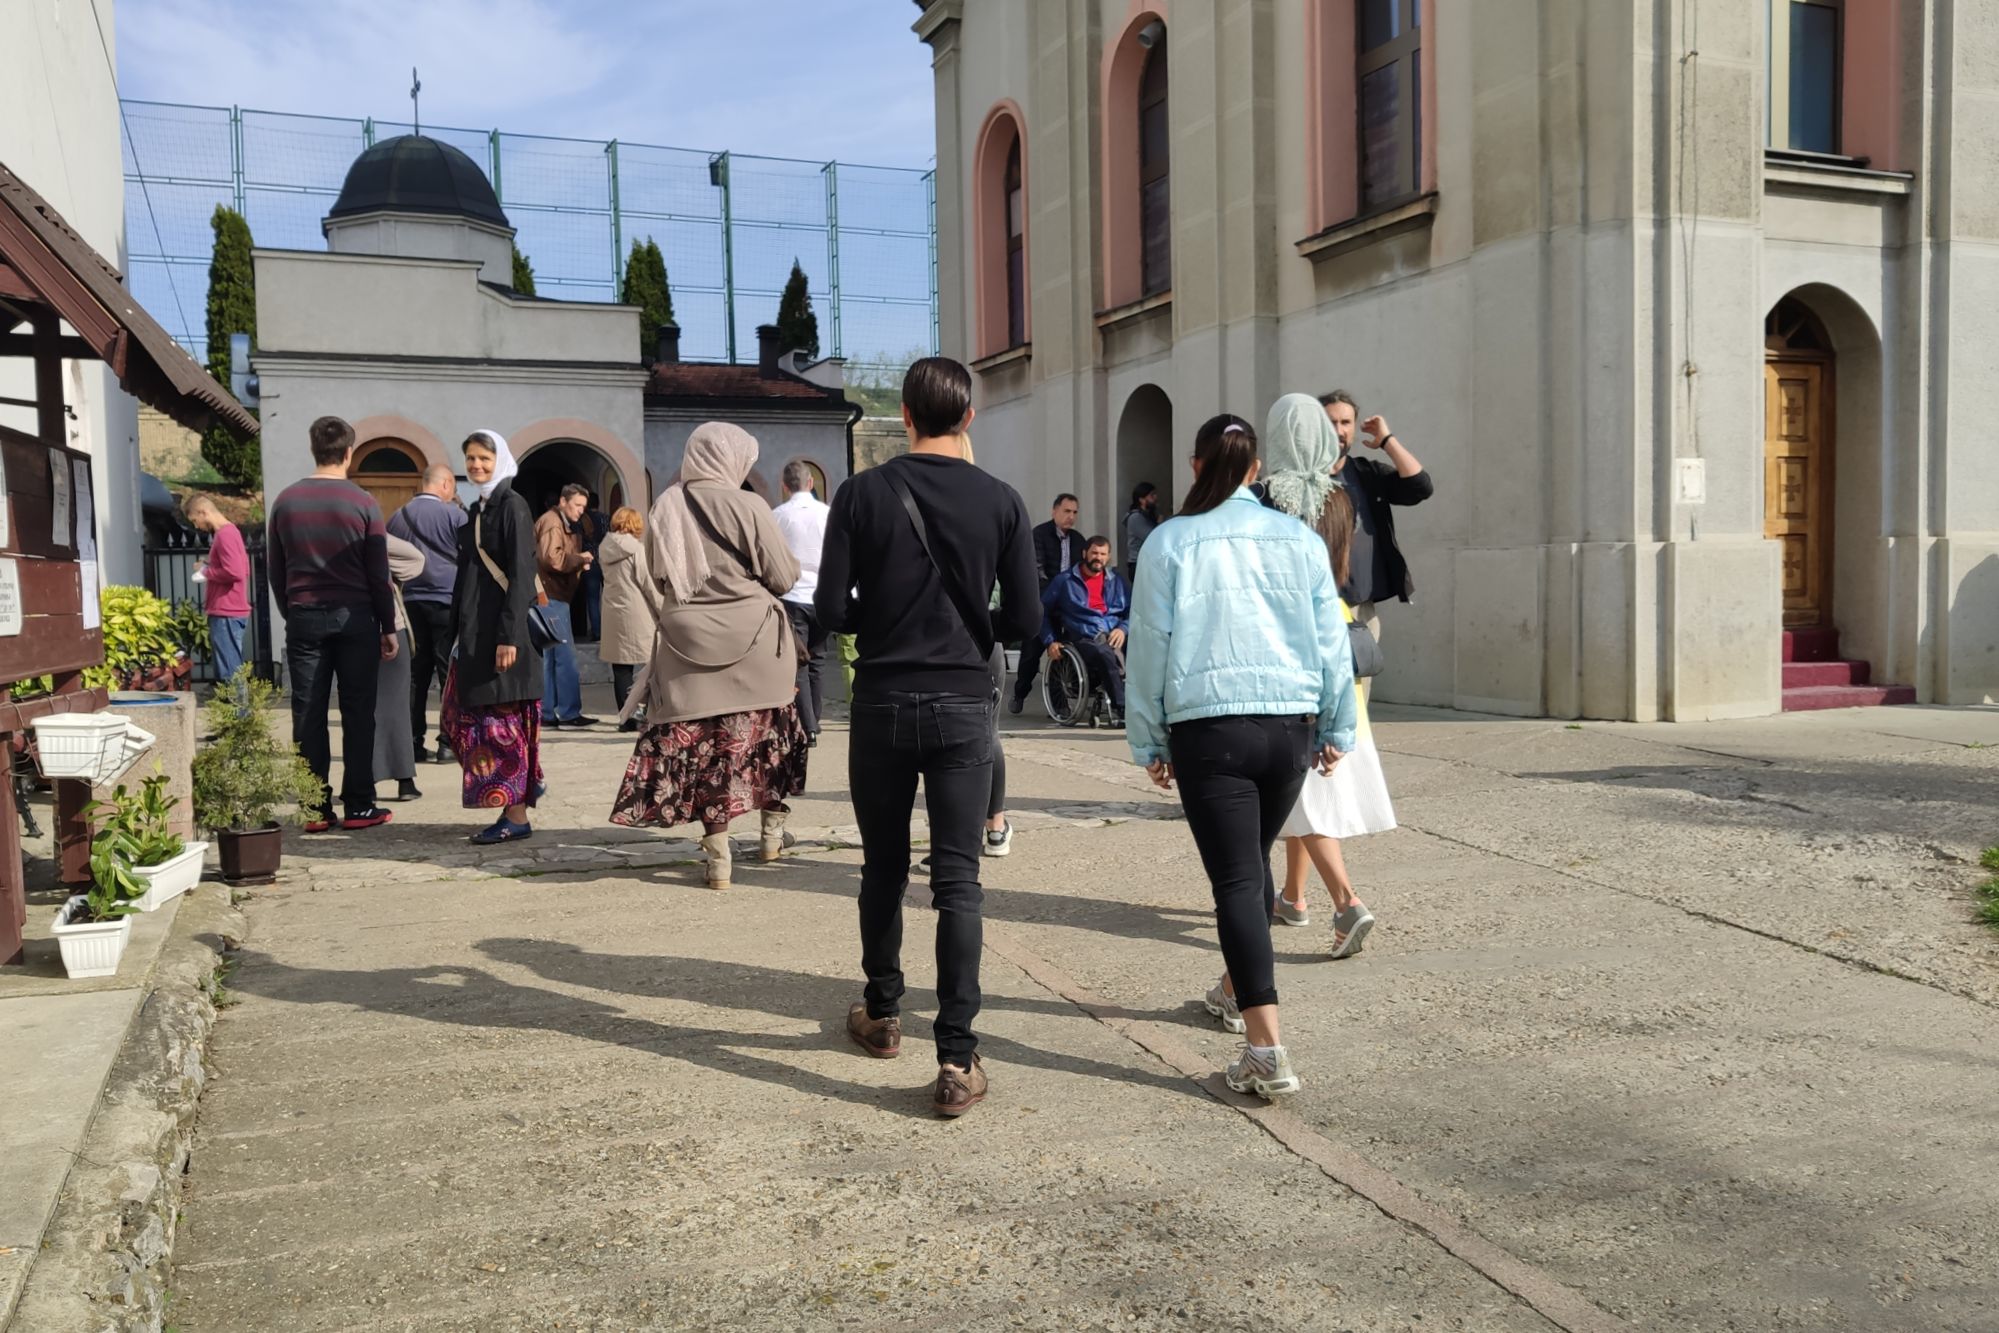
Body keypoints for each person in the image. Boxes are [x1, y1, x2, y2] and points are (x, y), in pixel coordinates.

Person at [816, 356, 1040, 1118]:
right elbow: (1030, 623)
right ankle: (956, 1055)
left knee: (882, 865)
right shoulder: (1002, 501)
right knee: (959, 881)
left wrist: (879, 610)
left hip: (881, 698)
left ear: (905, 415)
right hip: (961, 703)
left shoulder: (860, 493)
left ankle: (882, 1015)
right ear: (967, 417)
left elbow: (829, 607)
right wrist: (979, 622)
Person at [1126, 412, 1354, 1100]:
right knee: (1247, 868)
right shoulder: (1297, 538)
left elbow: (1149, 648)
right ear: (1256, 470)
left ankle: (1265, 1046)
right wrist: (1336, 722)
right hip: (1287, 725)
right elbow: (1328, 637)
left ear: (1196, 466)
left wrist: (1148, 737)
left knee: (1233, 880)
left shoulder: (1169, 542)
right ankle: (1233, 990)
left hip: (1209, 727)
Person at [610, 423, 808, 890]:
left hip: (687, 645)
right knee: (769, 739)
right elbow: (782, 577)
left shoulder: (665, 506)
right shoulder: (749, 504)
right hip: (755, 641)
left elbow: (659, 577)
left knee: (708, 751)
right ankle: (771, 837)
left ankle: (718, 855)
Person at [1263, 394, 1396, 957]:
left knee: (1301, 788)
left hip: (1287, 645)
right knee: (1310, 783)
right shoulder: (1339, 498)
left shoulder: (1271, 499)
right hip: (1335, 635)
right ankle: (1294, 896)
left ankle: (1346, 902)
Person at [265, 415, 399, 833]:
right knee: (358, 712)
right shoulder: (363, 503)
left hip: (304, 617)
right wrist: (388, 625)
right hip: (357, 617)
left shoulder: (285, 501)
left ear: (313, 449)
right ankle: (359, 805)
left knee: (307, 714)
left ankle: (314, 808)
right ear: (349, 453)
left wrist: (293, 613)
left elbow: (275, 569)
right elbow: (379, 574)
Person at [441, 430, 545, 844]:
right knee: (463, 722)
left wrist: (509, 638)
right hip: (475, 639)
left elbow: (521, 576)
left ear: (499, 459)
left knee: (500, 729)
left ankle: (515, 814)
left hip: (501, 640)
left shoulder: (511, 506)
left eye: (484, 458)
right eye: (470, 459)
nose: (476, 465)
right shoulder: (480, 508)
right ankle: (519, 795)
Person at [1319, 389, 1435, 643]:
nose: (1338, 430)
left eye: (1345, 422)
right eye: (1330, 422)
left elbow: (1421, 487)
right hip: (1315, 608)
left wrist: (1386, 440)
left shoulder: (1367, 474)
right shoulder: (1298, 480)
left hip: (1360, 608)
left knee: (1361, 683)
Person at [387, 464, 466, 763]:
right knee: (450, 675)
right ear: (445, 484)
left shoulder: (398, 516)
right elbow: (471, 556)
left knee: (415, 676)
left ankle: (412, 743)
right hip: (447, 602)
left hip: (410, 602)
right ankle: (448, 743)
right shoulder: (455, 515)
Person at [1039, 534, 1130, 724]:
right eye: (1094, 553)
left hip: (1115, 633)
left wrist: (1123, 628)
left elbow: (1133, 612)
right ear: (1084, 553)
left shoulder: (1116, 581)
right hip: (1084, 637)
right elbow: (1042, 612)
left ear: (1109, 557)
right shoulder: (1065, 581)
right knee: (1104, 652)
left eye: (1103, 554)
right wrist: (1050, 641)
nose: (1098, 557)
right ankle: (1122, 708)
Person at [771, 459, 831, 745]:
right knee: (818, 659)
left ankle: (807, 727)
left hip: (792, 594)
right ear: (811, 483)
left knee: (799, 663)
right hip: (822, 594)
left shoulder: (778, 515)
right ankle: (814, 720)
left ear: (784, 486)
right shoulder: (828, 514)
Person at [1009, 493, 1085, 712]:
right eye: (1066, 511)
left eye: (1074, 512)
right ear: (1055, 512)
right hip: (1043, 604)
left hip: (1066, 606)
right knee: (1031, 655)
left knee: (1060, 651)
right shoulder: (1039, 535)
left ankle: (1060, 705)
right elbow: (1037, 570)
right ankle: (1020, 693)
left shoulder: (1078, 539)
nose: (1070, 516)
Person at [534, 484, 597, 728]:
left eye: (583, 506)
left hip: (551, 595)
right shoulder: (552, 522)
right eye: (577, 505)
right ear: (563, 501)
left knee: (550, 657)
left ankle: (547, 713)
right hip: (552, 596)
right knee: (564, 656)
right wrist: (580, 559)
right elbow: (552, 558)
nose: (581, 510)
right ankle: (569, 713)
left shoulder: (556, 520)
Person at [596, 506, 661, 733]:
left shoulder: (604, 547)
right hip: (636, 611)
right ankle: (645, 713)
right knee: (650, 664)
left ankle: (625, 718)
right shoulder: (636, 550)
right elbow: (647, 583)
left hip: (613, 612)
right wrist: (663, 608)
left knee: (621, 669)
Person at [374, 532, 428, 802]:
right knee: (397, 706)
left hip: (346, 625)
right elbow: (416, 559)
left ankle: (362, 783)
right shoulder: (370, 535)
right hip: (390, 626)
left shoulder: (323, 538)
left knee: (357, 708)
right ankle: (404, 780)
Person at [185, 495, 250, 686]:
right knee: (231, 668)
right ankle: (239, 712)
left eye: (195, 521)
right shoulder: (231, 532)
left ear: (203, 512)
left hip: (226, 610)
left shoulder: (224, 535)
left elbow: (236, 571)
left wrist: (207, 572)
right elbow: (242, 568)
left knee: (229, 671)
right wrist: (208, 563)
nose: (197, 527)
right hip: (229, 609)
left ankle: (237, 714)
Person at [575, 491, 609, 642]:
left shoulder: (583, 520)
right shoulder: (606, 519)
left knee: (592, 598)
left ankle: (597, 632)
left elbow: (578, 542)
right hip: (607, 561)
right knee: (609, 598)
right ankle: (611, 630)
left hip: (590, 563)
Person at [1124, 481, 1160, 582]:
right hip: (1138, 565)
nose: (1155, 498)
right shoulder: (1136, 517)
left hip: (1147, 563)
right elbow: (1152, 537)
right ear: (1141, 499)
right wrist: (1161, 525)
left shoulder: (1147, 516)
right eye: (1152, 495)